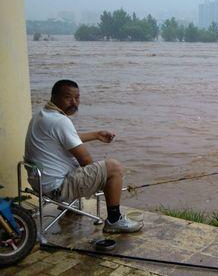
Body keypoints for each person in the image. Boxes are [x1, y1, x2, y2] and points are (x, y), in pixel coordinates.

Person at [24, 79, 142, 233]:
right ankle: (114, 220)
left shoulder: (41, 115)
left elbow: (65, 138)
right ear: (54, 97)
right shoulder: (60, 121)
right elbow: (86, 161)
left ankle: (71, 204)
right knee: (114, 168)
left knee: (99, 168)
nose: (74, 102)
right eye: (68, 97)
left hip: (39, 183)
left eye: (77, 98)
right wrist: (99, 177)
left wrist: (96, 135)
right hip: (56, 189)